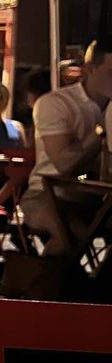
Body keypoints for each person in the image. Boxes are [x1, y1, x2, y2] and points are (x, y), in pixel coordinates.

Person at [19, 38, 112, 253]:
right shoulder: (56, 104)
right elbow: (63, 163)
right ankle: (41, 275)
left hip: (97, 197)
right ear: (90, 69)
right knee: (68, 235)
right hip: (47, 193)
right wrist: (101, 130)